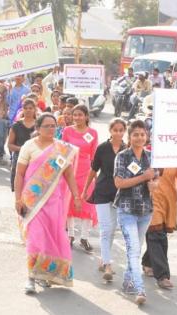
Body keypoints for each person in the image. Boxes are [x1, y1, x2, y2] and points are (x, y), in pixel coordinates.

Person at [14, 113, 81, 294]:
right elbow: (19, 174)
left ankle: (45, 275)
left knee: (52, 238)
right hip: (32, 201)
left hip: (54, 202)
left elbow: (68, 175)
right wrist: (18, 199)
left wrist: (76, 196)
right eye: (47, 126)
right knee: (35, 238)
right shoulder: (29, 146)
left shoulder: (61, 149)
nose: (51, 130)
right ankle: (30, 277)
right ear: (38, 128)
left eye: (54, 126)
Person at [114, 119, 157, 305]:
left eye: (142, 134)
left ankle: (126, 282)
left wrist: (153, 183)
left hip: (145, 210)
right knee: (133, 250)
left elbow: (157, 182)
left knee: (136, 249)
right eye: (135, 134)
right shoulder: (122, 156)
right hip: (126, 208)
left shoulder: (151, 157)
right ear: (129, 137)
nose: (139, 137)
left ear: (146, 136)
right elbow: (119, 183)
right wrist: (143, 177)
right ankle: (140, 289)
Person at [81, 118, 127, 281]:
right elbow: (93, 171)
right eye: (115, 130)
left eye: (121, 130)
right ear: (110, 131)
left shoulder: (126, 149)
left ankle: (103, 259)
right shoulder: (102, 148)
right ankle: (107, 264)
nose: (118, 133)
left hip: (119, 193)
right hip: (101, 190)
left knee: (112, 228)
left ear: (124, 131)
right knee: (105, 227)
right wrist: (85, 190)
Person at [142, 168, 177, 289]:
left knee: (157, 233)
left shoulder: (172, 155)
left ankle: (148, 262)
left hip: (169, 201)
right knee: (156, 234)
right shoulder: (148, 153)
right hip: (149, 199)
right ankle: (162, 276)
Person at [62, 105, 98, 251]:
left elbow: (95, 156)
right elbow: (62, 151)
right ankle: (70, 235)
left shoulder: (93, 133)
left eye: (80, 115)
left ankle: (84, 237)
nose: (77, 118)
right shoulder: (67, 130)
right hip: (69, 171)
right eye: (74, 115)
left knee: (87, 204)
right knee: (69, 203)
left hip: (86, 172)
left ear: (86, 116)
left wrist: (95, 173)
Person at [8, 98, 36, 191]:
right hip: (19, 158)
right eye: (26, 108)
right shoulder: (16, 125)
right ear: (22, 109)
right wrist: (23, 149)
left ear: (34, 109)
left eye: (30, 108)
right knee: (19, 186)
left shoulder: (39, 126)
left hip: (35, 158)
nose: (28, 110)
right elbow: (10, 145)